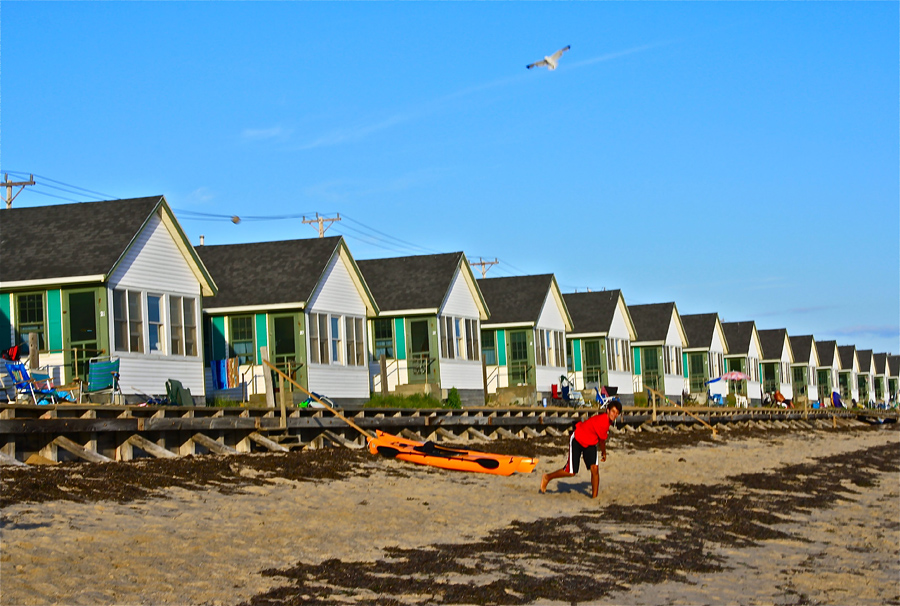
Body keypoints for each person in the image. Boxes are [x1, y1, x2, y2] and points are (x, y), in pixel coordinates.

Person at [540, 400, 622, 498]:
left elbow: (600, 439)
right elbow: (602, 441)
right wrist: (604, 453)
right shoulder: (603, 421)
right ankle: (547, 477)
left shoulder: (608, 421)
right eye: (613, 411)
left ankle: (594, 497)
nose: (615, 414)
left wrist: (603, 452)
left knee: (594, 469)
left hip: (590, 443)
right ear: (608, 410)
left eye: (617, 413)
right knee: (571, 472)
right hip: (578, 438)